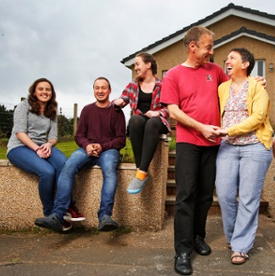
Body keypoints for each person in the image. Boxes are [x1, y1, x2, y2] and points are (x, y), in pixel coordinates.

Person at [161, 26, 230, 275]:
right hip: (188, 143)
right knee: (185, 197)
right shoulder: (173, 75)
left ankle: (198, 237)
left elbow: (234, 90)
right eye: (208, 47)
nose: (211, 52)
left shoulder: (215, 71)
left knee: (204, 196)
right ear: (193, 46)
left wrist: (254, 82)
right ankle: (182, 250)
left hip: (213, 144)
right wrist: (201, 127)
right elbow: (173, 112)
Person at [34, 77, 126, 232]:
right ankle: (58, 215)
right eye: (97, 88)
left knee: (110, 170)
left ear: (109, 91)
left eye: (104, 88)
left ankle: (105, 216)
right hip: (86, 149)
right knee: (68, 166)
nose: (100, 91)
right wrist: (87, 145)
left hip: (108, 151)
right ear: (94, 90)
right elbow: (79, 136)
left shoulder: (117, 112)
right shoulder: (87, 110)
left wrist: (102, 147)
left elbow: (121, 140)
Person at [216, 48, 273, 265]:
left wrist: (228, 130)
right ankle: (233, 237)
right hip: (227, 148)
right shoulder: (222, 88)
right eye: (227, 58)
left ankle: (241, 246)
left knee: (248, 198)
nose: (227, 61)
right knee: (225, 195)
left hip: (254, 146)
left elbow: (259, 117)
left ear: (245, 63)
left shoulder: (258, 87)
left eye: (232, 58)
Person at [7, 78, 84, 232]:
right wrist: (36, 149)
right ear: (34, 91)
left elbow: (54, 136)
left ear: (52, 93)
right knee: (47, 172)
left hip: (43, 145)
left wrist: (48, 145)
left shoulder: (52, 109)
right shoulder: (24, 106)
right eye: (41, 89)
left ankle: (64, 208)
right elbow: (20, 133)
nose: (44, 92)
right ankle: (49, 214)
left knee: (64, 164)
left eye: (48, 89)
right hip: (20, 146)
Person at [113, 52, 170, 194]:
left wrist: (157, 113)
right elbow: (124, 97)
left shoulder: (161, 85)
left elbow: (170, 108)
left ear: (148, 65)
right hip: (141, 119)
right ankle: (141, 170)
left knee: (151, 123)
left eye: (138, 64)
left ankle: (141, 172)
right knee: (135, 120)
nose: (135, 67)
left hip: (158, 121)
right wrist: (119, 102)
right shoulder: (133, 84)